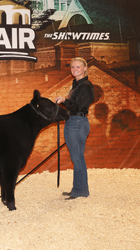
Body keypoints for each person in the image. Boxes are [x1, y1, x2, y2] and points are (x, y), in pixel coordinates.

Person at [55, 57, 94, 200]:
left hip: (77, 122)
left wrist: (65, 100)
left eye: (78, 67)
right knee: (76, 157)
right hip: (73, 121)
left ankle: (81, 191)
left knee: (77, 158)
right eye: (72, 67)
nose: (75, 69)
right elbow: (73, 105)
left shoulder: (86, 86)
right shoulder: (76, 85)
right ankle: (78, 189)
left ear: (85, 69)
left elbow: (77, 107)